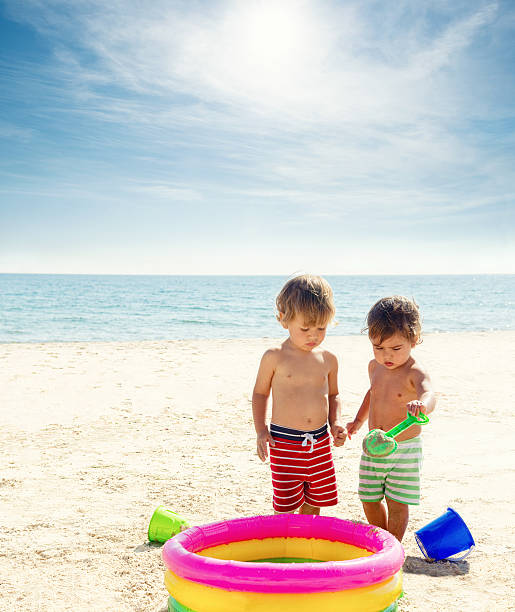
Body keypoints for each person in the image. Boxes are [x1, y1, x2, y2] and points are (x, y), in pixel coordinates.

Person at [252, 274, 347, 514]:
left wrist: (334, 423)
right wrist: (261, 430)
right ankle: (285, 541)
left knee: (314, 502)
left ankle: (305, 542)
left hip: (319, 441)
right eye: (305, 328)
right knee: (285, 504)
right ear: (283, 320)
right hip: (284, 442)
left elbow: (333, 395)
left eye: (321, 328)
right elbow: (260, 393)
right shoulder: (274, 356)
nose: (313, 335)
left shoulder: (329, 359)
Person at [346, 295, 436, 541]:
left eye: (396, 348)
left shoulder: (415, 370)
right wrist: (358, 420)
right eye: (378, 347)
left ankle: (393, 544)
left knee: (397, 501)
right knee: (369, 497)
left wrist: (423, 405)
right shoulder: (374, 367)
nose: (387, 355)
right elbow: (372, 394)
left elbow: (430, 393)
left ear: (414, 339)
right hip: (374, 445)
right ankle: (382, 538)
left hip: (404, 448)